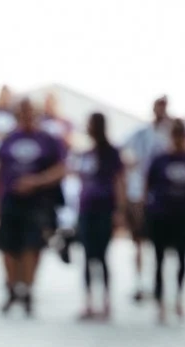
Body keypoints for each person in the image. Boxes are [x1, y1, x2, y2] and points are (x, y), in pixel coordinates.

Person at [0, 100, 69, 316]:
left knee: (31, 247)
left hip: (37, 202)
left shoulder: (48, 140)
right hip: (10, 200)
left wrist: (36, 181)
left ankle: (27, 288)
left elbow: (61, 168)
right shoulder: (9, 139)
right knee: (7, 246)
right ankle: (12, 286)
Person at [142, 120, 185, 324]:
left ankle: (178, 298)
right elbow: (147, 185)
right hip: (161, 215)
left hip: (183, 216)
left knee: (182, 258)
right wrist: (144, 211)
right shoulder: (160, 160)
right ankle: (160, 301)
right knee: (159, 259)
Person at [121, 96, 176, 303]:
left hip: (162, 195)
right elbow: (121, 148)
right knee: (138, 241)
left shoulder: (172, 132)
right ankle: (139, 283)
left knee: (161, 244)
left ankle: (159, 285)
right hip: (139, 192)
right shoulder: (141, 133)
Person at [75, 112, 128, 322]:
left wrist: (120, 211)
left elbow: (119, 181)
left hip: (104, 209)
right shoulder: (85, 154)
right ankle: (89, 302)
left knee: (102, 256)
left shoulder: (112, 153)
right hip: (86, 209)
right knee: (88, 256)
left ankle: (105, 301)